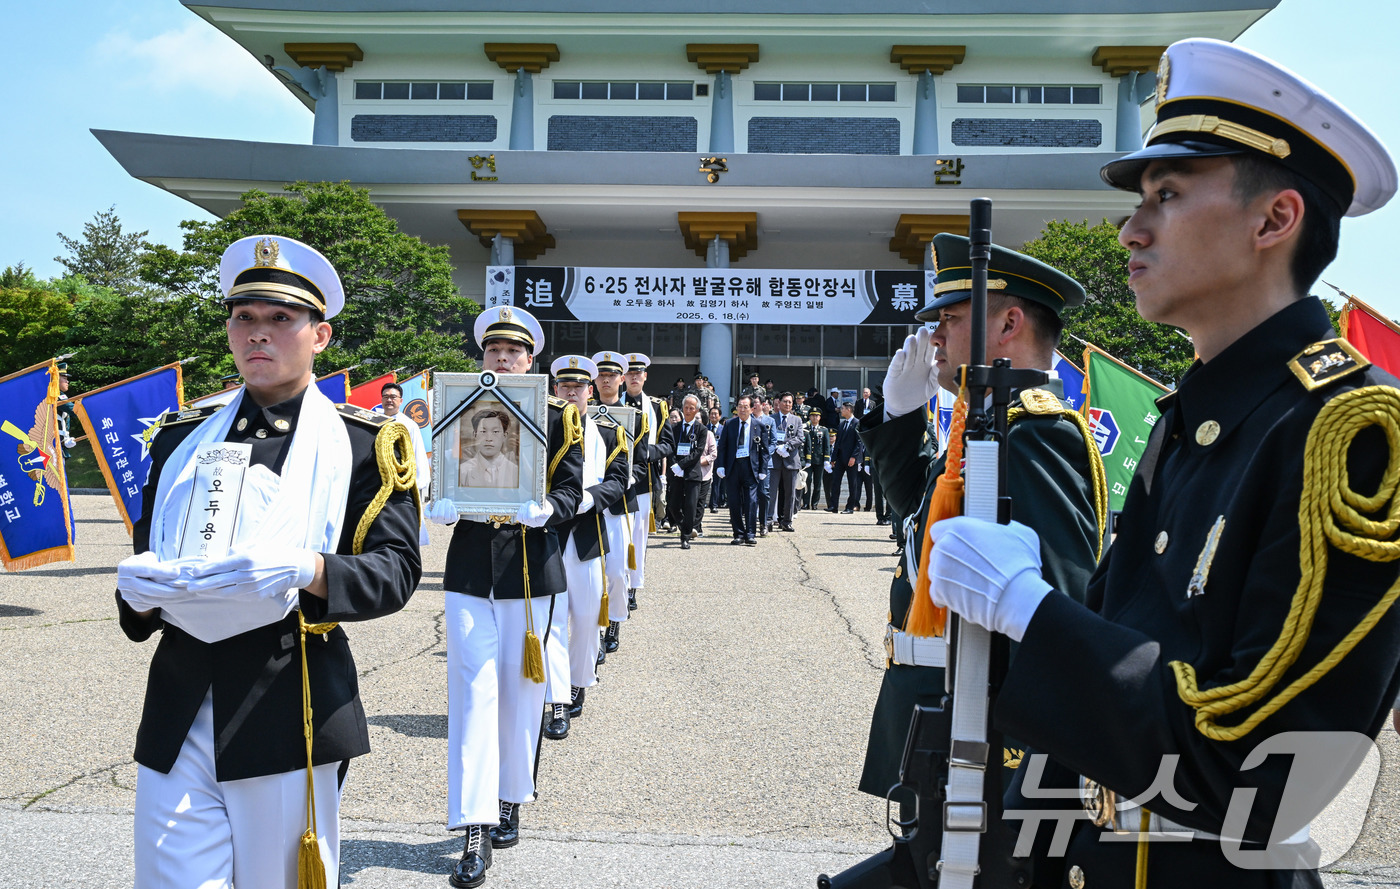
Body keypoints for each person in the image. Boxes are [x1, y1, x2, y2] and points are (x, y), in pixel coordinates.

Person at [924, 39, 1400, 886]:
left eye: (1169, 195)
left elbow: (1261, 770)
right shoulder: (1193, 418)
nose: (1131, 228)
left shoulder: (1348, 434)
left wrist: (1031, 608)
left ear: (1274, 220)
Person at [114, 234, 422, 889]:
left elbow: (396, 570)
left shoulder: (362, 445)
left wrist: (309, 568)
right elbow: (152, 559)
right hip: (180, 700)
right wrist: (134, 594)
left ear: (320, 335)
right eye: (244, 317)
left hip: (290, 701)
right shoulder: (178, 441)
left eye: (281, 318)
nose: (259, 333)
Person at [856, 231, 1108, 845]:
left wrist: (1026, 756)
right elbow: (921, 520)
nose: (935, 335)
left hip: (987, 728)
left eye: (951, 318)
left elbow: (1060, 603)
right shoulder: (981, 424)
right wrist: (900, 416)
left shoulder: (1033, 434)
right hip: (939, 710)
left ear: (1009, 323)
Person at [425, 305, 583, 889]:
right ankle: (474, 823)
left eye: (513, 351)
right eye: (494, 350)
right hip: (470, 570)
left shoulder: (559, 415)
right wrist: (438, 500)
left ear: (530, 358)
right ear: (482, 356)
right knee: (471, 692)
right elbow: (442, 471)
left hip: (529, 572)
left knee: (520, 694)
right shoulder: (460, 405)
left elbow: (570, 489)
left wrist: (548, 510)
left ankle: (512, 793)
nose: (502, 358)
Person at [542, 355, 630, 738]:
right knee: (552, 621)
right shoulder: (541, 429)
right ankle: (558, 701)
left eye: (578, 387)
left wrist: (589, 497)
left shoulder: (609, 432)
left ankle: (579, 682)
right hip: (546, 536)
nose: (571, 392)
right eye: (564, 387)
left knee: (588, 616)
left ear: (590, 392)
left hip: (587, 534)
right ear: (554, 390)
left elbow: (620, 479)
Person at [590, 351, 638, 653]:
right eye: (601, 376)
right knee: (591, 573)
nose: (605, 380)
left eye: (611, 376)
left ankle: (614, 621)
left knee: (617, 571)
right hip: (587, 505)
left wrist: (628, 475)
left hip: (619, 503)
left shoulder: (633, 416)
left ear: (621, 379)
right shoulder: (582, 413)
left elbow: (641, 457)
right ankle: (594, 631)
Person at [622, 353, 675, 610]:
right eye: (629, 373)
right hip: (615, 479)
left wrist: (648, 453)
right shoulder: (609, 403)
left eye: (638, 373)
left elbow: (668, 444)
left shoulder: (656, 406)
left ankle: (633, 586)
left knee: (638, 537)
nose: (633, 377)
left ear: (645, 376)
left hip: (644, 481)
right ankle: (617, 582)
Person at [381, 380, 431, 544]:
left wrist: (418, 483)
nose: (389, 400)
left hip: (402, 482)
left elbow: (418, 454)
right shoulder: (374, 419)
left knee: (403, 525)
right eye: (386, 396)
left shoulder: (409, 425)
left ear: (400, 400)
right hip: (379, 480)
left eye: (393, 397)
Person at [715, 395, 769, 546]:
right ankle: (738, 533)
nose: (742, 409)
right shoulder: (729, 424)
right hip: (733, 466)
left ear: (752, 409)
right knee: (734, 501)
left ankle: (750, 534)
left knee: (751, 501)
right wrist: (721, 465)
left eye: (746, 407)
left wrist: (763, 469)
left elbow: (764, 450)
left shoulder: (759, 426)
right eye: (740, 406)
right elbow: (723, 447)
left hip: (751, 467)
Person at [668, 394, 710, 548]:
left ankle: (685, 537)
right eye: (686, 407)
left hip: (692, 472)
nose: (688, 410)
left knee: (691, 506)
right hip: (676, 473)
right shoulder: (675, 428)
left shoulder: (701, 429)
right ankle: (684, 526)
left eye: (691, 408)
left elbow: (698, 452)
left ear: (696, 409)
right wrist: (675, 465)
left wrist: (682, 465)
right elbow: (670, 448)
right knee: (673, 505)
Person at [458, 409, 520, 489]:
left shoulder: (515, 471)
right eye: (483, 431)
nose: (489, 438)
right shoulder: (463, 471)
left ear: (504, 435)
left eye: (495, 432)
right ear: (475, 435)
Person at [770, 392, 804, 532]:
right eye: (785, 401)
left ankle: (787, 521)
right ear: (779, 403)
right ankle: (768, 519)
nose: (787, 404)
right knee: (771, 492)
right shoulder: (771, 418)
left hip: (790, 460)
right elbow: (767, 436)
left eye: (790, 402)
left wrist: (787, 446)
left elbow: (800, 438)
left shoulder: (797, 420)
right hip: (774, 460)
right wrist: (777, 447)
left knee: (790, 493)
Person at [828, 402, 863, 513]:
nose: (840, 410)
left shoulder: (857, 423)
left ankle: (850, 507)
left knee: (852, 483)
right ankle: (833, 506)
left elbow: (859, 442)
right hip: (840, 458)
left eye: (842, 409)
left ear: (848, 410)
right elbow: (837, 442)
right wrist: (833, 458)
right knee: (835, 482)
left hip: (851, 459)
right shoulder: (842, 424)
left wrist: (854, 457)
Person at [802, 407, 830, 510]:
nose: (815, 417)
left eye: (817, 416)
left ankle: (815, 503)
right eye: (813, 415)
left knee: (817, 483)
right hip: (808, 460)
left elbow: (827, 446)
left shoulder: (824, 430)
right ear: (809, 417)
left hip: (819, 460)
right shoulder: (805, 429)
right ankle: (805, 503)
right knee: (807, 481)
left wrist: (826, 459)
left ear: (820, 417)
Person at [706, 406, 727, 511]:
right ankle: (704, 502)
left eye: (715, 414)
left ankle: (714, 504)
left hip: (719, 459)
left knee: (717, 483)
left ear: (720, 416)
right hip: (706, 459)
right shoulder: (705, 428)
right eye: (711, 414)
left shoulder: (724, 429)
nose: (713, 416)